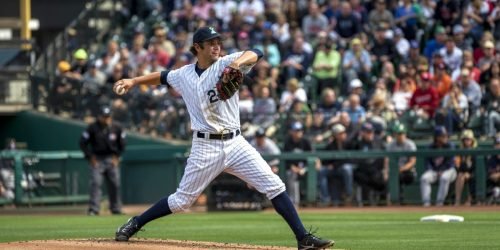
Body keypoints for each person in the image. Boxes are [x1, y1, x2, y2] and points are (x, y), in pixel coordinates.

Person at [112, 27, 333, 249]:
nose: (217, 46)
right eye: (211, 43)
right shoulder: (183, 75)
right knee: (182, 201)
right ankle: (135, 223)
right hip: (205, 146)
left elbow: (256, 51)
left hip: (236, 143)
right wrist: (133, 81)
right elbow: (162, 76)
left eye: (218, 41)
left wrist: (237, 65)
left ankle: (303, 238)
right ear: (197, 47)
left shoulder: (227, 62)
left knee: (274, 185)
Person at [79, 106, 126, 215]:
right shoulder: (92, 127)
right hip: (97, 159)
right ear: (99, 117)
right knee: (95, 183)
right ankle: (94, 209)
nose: (106, 119)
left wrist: (117, 157)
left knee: (115, 184)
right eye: (104, 117)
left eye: (108, 117)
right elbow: (82, 143)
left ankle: (115, 208)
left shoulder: (117, 127)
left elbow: (123, 144)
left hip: (111, 159)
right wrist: (90, 156)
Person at [420, 126, 456, 207]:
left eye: (446, 136)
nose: (445, 137)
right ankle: (426, 203)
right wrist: (432, 170)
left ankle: (439, 203)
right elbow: (427, 163)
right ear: (437, 137)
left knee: (444, 178)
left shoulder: (450, 146)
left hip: (449, 170)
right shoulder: (430, 147)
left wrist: (442, 170)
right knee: (424, 178)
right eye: (443, 136)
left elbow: (450, 163)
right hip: (435, 171)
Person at [386, 124, 417, 204]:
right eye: (399, 133)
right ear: (395, 134)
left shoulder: (410, 144)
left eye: (402, 133)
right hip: (394, 170)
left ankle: (398, 200)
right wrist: (385, 171)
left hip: (408, 171)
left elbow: (412, 161)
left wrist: (401, 169)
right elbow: (386, 159)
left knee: (399, 177)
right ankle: (384, 202)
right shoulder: (391, 145)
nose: (401, 135)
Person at [454, 130, 477, 206]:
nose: (466, 141)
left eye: (468, 139)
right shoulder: (460, 152)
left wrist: (470, 174)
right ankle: (457, 200)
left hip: (474, 174)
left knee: (471, 178)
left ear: (472, 140)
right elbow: (457, 166)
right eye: (465, 140)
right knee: (460, 175)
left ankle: (470, 199)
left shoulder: (476, 151)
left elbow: (478, 168)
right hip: (462, 174)